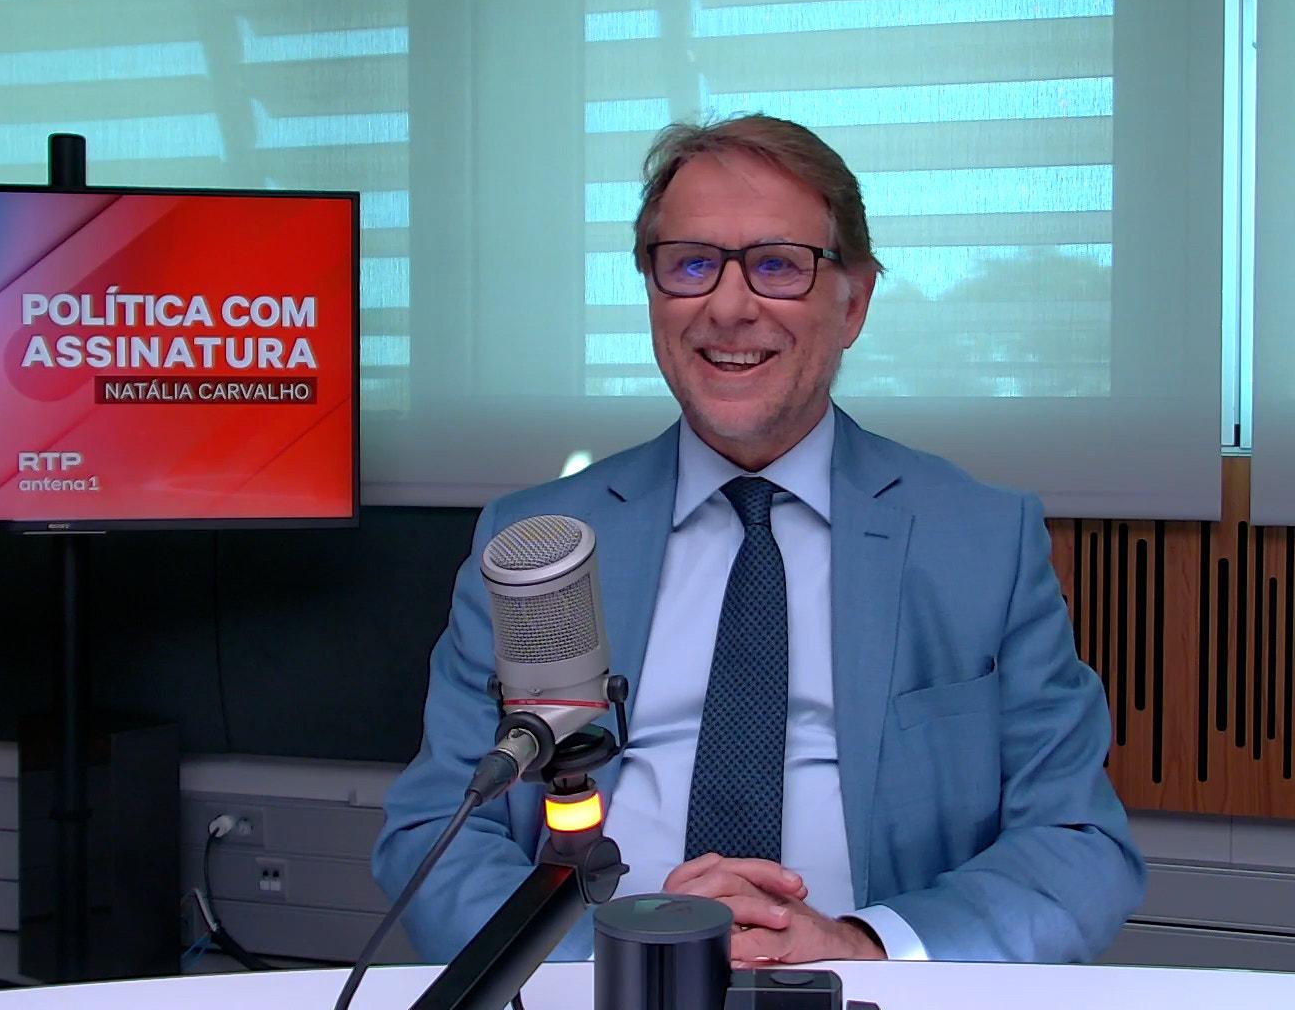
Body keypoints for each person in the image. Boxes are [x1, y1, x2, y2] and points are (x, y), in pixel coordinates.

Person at [374, 115, 1144, 966]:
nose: (729, 306)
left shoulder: (981, 542)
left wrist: (865, 947)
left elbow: (1075, 843)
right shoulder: (537, 548)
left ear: (854, 302)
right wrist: (605, 966)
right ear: (652, 292)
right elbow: (436, 832)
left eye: (777, 265)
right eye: (690, 264)